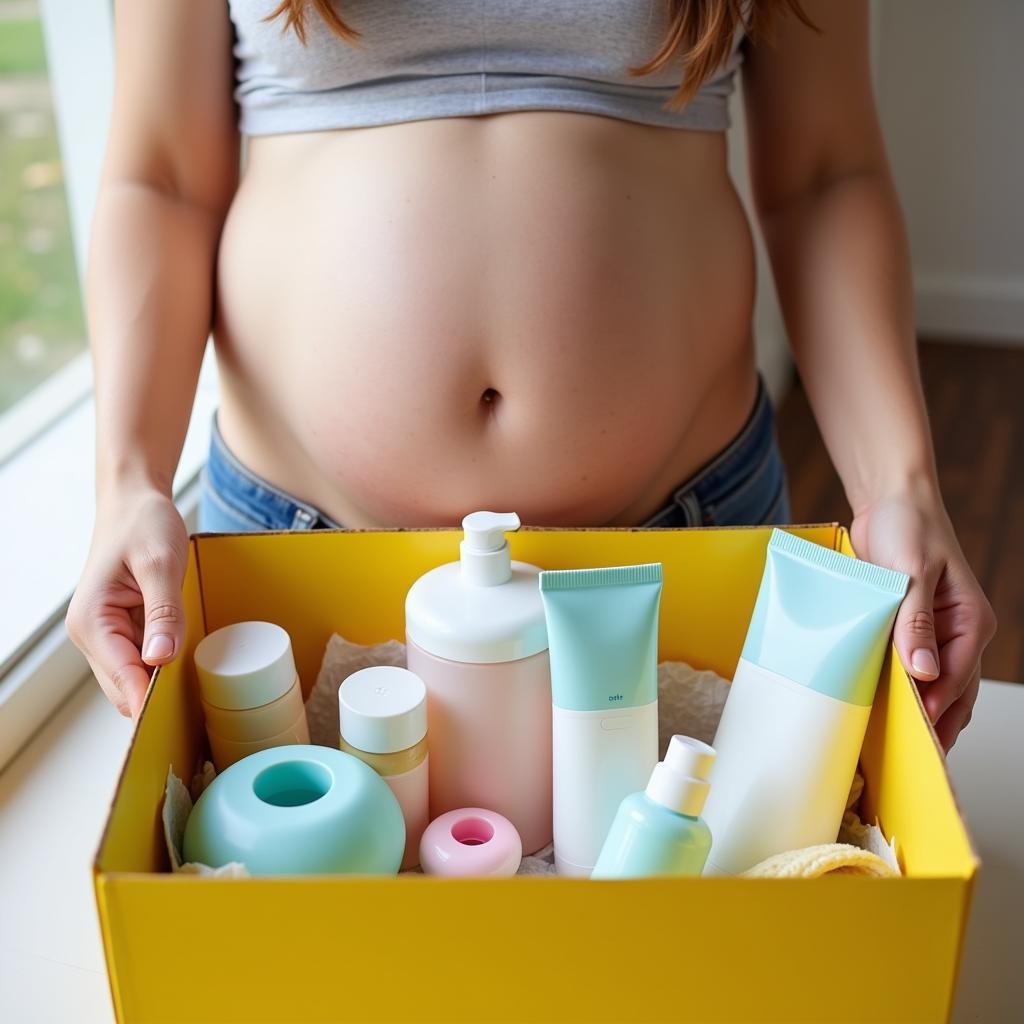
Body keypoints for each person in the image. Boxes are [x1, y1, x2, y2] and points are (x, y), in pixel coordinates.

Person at [66, 0, 994, 749]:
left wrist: (899, 486)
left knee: (693, 963)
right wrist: (127, 486)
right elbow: (161, 178)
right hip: (300, 551)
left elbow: (825, 176)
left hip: (682, 540)